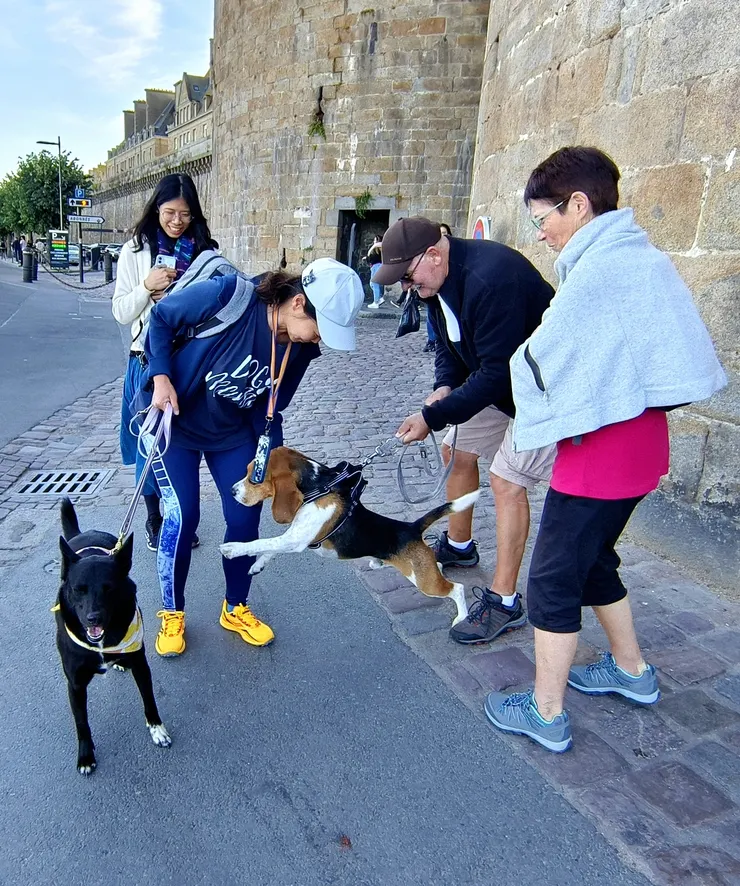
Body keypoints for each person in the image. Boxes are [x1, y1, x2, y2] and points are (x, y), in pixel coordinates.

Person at [483, 146, 727, 753]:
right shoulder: (642, 258)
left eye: (544, 219)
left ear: (579, 205)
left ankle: (545, 712)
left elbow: (545, 358)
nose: (541, 234)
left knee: (552, 581)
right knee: (593, 561)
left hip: (600, 455)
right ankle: (631, 670)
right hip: (643, 448)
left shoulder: (600, 271)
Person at [143, 257, 364, 657]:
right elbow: (160, 318)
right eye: (321, 328)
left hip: (232, 433)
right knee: (183, 516)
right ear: (298, 303)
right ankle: (172, 611)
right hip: (176, 422)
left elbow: (272, 406)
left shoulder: (299, 348)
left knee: (245, 516)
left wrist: (277, 466)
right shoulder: (228, 296)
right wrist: (160, 378)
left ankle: (235, 607)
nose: (320, 339)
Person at [373, 217, 556, 646]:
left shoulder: (491, 279)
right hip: (500, 383)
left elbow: (496, 373)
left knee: (507, 480)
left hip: (543, 391)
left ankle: (505, 601)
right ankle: (460, 545)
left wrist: (432, 417)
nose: (406, 287)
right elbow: (447, 346)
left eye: (407, 276)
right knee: (455, 451)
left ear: (433, 255)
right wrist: (443, 388)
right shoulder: (434, 284)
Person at [112, 173, 217, 552]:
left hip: (189, 361)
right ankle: (154, 517)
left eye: (185, 214)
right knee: (149, 444)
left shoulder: (204, 251)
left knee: (182, 444)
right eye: (170, 212)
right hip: (146, 361)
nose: (177, 221)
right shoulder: (135, 251)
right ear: (156, 208)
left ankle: (179, 514)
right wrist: (146, 288)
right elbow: (121, 312)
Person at [366, 235, 385, 308]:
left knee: (374, 283)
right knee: (372, 284)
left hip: (376, 266)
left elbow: (371, 258)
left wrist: (373, 247)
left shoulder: (378, 248)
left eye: (375, 240)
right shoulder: (377, 249)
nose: (374, 242)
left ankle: (376, 302)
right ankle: (379, 298)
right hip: (376, 266)